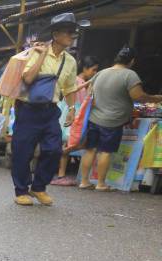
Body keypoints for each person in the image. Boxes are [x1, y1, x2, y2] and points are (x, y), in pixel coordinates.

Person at [10, 13, 80, 207]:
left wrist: (72, 108)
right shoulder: (34, 52)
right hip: (28, 110)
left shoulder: (71, 61)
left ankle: (39, 187)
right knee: (22, 152)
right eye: (68, 32)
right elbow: (28, 79)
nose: (71, 36)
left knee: (54, 150)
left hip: (51, 111)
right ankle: (21, 191)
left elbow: (70, 87)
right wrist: (41, 56)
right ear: (56, 34)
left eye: (73, 33)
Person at [78, 46, 162, 190]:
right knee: (105, 151)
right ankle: (101, 184)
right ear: (132, 61)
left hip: (94, 118)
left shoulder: (101, 73)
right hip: (113, 120)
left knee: (90, 149)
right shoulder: (130, 75)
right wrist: (155, 98)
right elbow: (138, 96)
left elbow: (90, 94)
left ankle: (84, 181)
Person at [51, 56, 100, 185]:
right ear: (85, 68)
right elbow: (68, 91)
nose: (94, 73)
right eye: (93, 70)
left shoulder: (86, 83)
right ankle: (61, 174)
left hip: (78, 113)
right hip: (71, 112)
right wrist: (87, 84)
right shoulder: (77, 80)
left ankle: (61, 171)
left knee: (72, 143)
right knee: (70, 143)